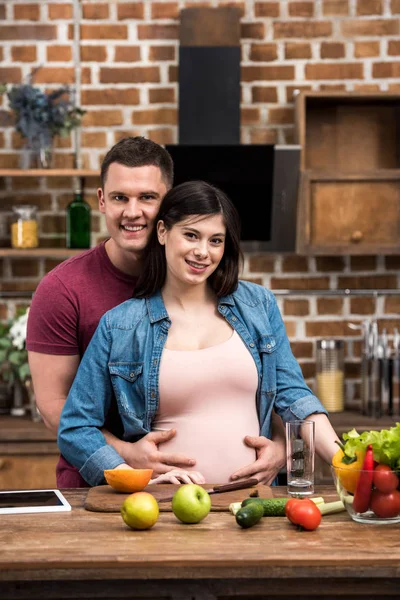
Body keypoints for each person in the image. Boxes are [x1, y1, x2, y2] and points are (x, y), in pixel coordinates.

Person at [27, 137, 286, 488]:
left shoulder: (214, 288)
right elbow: (55, 407)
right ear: (102, 200)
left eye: (147, 198)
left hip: (217, 499)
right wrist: (126, 455)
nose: (133, 212)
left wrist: (283, 446)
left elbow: (265, 385)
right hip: (97, 489)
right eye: (120, 198)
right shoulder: (63, 290)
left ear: (168, 205)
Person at [58, 180, 340, 487]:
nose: (203, 252)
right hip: (165, 510)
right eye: (191, 235)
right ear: (163, 232)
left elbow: (295, 399)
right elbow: (76, 427)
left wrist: (345, 464)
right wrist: (132, 476)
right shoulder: (121, 325)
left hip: (251, 507)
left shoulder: (257, 305)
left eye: (215, 241)